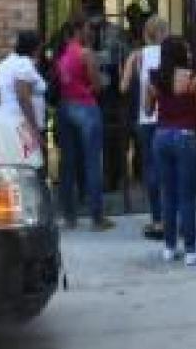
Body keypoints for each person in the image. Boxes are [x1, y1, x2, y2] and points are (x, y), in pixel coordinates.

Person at [147, 36, 196, 265]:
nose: (190, 54)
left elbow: (147, 109)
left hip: (161, 136)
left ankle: (169, 247)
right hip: (186, 136)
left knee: (168, 194)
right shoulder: (194, 79)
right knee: (187, 196)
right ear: (182, 54)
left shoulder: (155, 78)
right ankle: (191, 250)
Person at [55, 16, 114, 231]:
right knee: (92, 162)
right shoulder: (86, 53)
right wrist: (99, 83)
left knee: (67, 163)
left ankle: (68, 216)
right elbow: (97, 85)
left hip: (65, 107)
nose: (91, 31)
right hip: (85, 107)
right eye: (88, 28)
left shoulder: (62, 54)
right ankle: (96, 217)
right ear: (79, 30)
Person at [120, 16, 169, 240]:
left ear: (145, 34)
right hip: (170, 117)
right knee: (170, 168)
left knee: (151, 168)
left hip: (146, 118)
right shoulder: (172, 53)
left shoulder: (137, 56)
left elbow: (123, 87)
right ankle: (171, 217)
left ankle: (157, 219)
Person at [0, 30, 47, 168]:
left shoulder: (5, 64)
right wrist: (34, 129)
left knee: (17, 164)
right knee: (32, 165)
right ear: (33, 48)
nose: (41, 50)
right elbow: (23, 97)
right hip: (25, 126)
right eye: (40, 47)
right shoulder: (24, 65)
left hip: (9, 121)